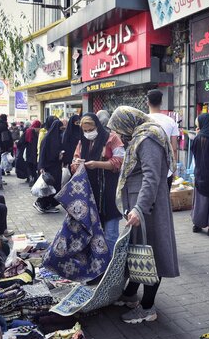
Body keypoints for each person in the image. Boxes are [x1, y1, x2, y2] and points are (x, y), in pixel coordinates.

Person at [106, 106, 179, 324]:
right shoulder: (139, 137)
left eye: (119, 129)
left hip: (149, 208)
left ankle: (147, 307)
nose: (119, 134)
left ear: (128, 123)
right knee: (138, 251)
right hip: (141, 206)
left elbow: (151, 177)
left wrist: (139, 208)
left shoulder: (148, 139)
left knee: (152, 254)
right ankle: (131, 294)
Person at [71, 113, 125, 248]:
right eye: (85, 131)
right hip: (89, 193)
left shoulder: (112, 139)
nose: (88, 133)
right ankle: (97, 265)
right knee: (92, 234)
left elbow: (120, 161)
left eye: (91, 130)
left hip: (109, 192)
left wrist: (98, 164)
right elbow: (74, 161)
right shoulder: (82, 142)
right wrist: (77, 164)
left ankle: (113, 266)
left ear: (98, 126)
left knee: (110, 235)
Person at [146, 89, 179, 189]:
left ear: (147, 102)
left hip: (147, 168)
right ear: (161, 102)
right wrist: (173, 170)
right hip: (166, 169)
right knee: (164, 201)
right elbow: (174, 149)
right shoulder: (171, 121)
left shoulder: (142, 120)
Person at [35, 119, 63, 213]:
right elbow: (42, 153)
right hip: (48, 166)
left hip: (56, 166)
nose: (61, 130)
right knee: (48, 186)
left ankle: (48, 205)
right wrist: (41, 167)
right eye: (60, 128)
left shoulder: (57, 138)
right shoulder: (47, 138)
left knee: (54, 186)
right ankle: (42, 203)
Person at [24, 120, 41, 186]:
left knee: (29, 166)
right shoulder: (38, 133)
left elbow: (22, 141)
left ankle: (30, 177)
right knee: (34, 166)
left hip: (29, 151)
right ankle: (34, 178)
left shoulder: (28, 131)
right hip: (35, 152)